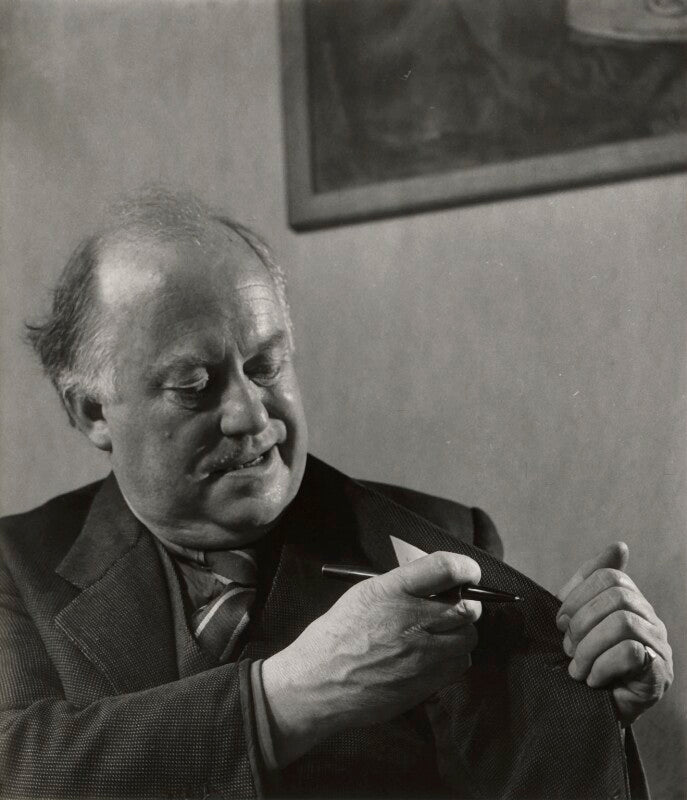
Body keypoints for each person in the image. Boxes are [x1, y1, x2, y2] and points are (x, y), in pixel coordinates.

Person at [0, 189, 672, 799]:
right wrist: (283, 700)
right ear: (91, 411)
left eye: (266, 365)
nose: (251, 416)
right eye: (193, 387)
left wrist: (589, 705)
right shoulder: (14, 567)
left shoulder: (442, 540)